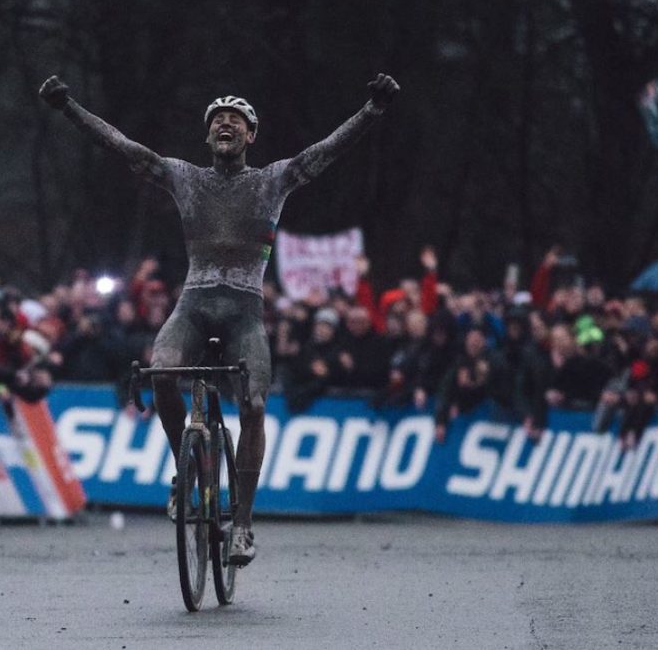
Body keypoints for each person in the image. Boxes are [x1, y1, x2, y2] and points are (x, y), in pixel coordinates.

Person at [39, 71, 399, 565]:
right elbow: (123, 147)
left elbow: (325, 152)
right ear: (207, 136)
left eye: (235, 120)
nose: (225, 125)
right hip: (193, 305)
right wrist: (68, 108)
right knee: (162, 373)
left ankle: (243, 525)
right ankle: (184, 472)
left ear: (251, 135)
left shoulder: (272, 180)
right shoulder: (184, 177)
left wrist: (371, 111)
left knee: (254, 405)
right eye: (217, 120)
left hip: (244, 313)